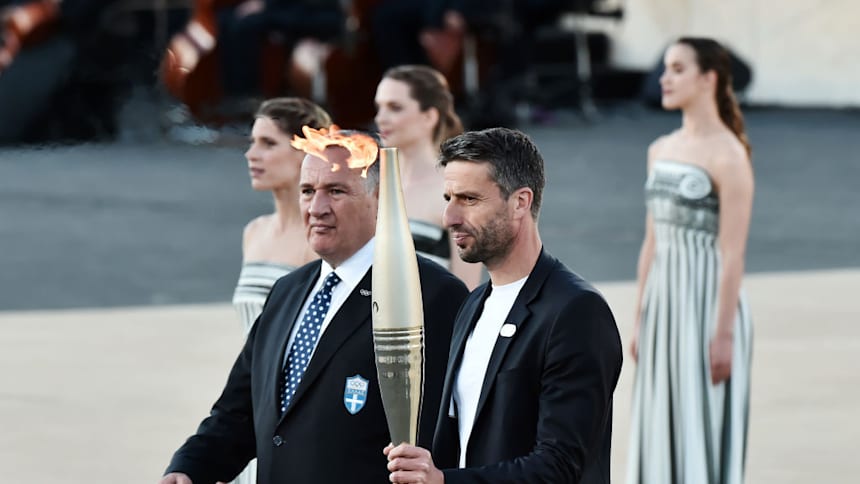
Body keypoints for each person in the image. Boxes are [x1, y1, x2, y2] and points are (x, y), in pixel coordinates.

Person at [160, 130, 469, 484]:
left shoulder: (429, 294)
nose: (316, 208)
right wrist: (187, 468)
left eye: (336, 191)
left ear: (381, 197)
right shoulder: (287, 293)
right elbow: (239, 412)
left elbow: (443, 436)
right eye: (307, 191)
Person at [384, 127, 623, 483]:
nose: (449, 217)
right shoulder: (474, 305)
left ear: (520, 202)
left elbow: (560, 465)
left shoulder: (576, 311)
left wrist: (444, 481)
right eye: (448, 197)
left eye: (469, 199)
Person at [626, 37, 754, 484]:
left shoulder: (730, 155)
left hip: (706, 303)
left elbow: (732, 250)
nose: (665, 78)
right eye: (665, 68)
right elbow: (651, 241)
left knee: (702, 421)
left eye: (677, 69)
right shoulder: (659, 148)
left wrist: (723, 335)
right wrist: (641, 315)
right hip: (664, 302)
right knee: (660, 415)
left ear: (708, 79)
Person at [229, 97, 330, 484]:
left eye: (269, 144)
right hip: (253, 404)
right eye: (252, 142)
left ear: (305, 151)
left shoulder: (321, 243)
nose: (252, 154)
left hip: (300, 415)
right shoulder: (253, 232)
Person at [374, 64, 483, 289]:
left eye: (395, 107)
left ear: (429, 116)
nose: (380, 118)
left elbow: (465, 290)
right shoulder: (370, 183)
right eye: (379, 107)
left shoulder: (457, 190)